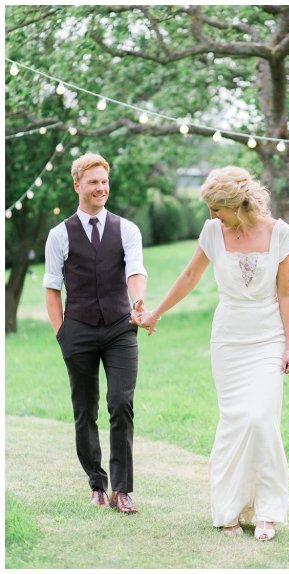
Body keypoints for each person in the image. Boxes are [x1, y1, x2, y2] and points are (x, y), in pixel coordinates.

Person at [136, 166, 289, 541]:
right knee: (234, 421)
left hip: (268, 338)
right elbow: (190, 276)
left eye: (216, 208)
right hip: (228, 340)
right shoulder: (212, 232)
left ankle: (268, 512)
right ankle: (228, 508)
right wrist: (156, 312)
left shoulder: (279, 234)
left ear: (236, 204)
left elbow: (287, 292)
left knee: (260, 420)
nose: (211, 216)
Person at [43, 152, 147, 514]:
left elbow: (135, 271)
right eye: (93, 182)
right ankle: (96, 483)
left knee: (121, 403)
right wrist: (62, 335)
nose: (101, 187)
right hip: (79, 331)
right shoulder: (60, 235)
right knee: (85, 410)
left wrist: (139, 302)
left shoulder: (127, 229)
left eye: (104, 181)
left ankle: (121, 489)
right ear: (78, 186)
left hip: (120, 328)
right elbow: (52, 288)